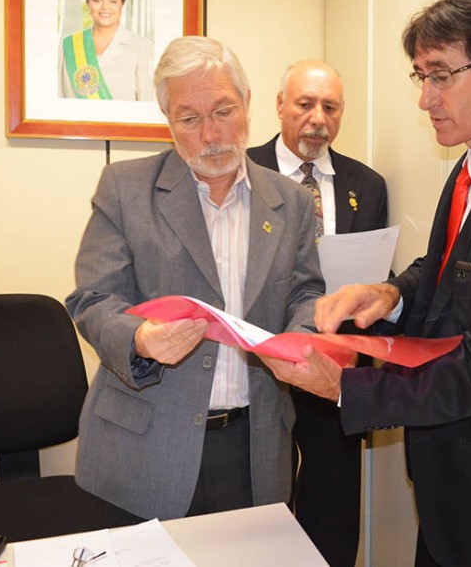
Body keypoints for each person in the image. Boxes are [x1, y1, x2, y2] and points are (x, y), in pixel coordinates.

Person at [259, 0, 471, 567]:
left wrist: (344, 387)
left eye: (441, 76)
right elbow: (445, 272)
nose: (425, 99)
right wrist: (389, 293)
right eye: (420, 75)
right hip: (453, 468)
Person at [65, 36, 325, 520]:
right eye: (190, 118)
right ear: (169, 122)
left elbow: (306, 289)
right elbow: (92, 298)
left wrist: (300, 336)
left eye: (224, 111)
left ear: (247, 105)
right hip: (145, 443)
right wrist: (139, 338)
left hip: (253, 443)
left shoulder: (289, 202)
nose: (211, 135)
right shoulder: (125, 188)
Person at [247, 59, 388, 567]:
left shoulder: (367, 185)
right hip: (262, 364)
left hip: (337, 369)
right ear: (280, 104)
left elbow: (371, 277)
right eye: (305, 104)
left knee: (332, 503)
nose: (317, 118)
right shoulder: (242, 172)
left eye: (330, 107)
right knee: (262, 504)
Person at [58, 0, 154, 101]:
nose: (105, 7)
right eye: (97, 0)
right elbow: (59, 98)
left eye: (113, 1)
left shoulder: (141, 47)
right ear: (87, 3)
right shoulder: (68, 45)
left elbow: (147, 103)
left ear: (122, 4)